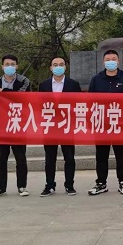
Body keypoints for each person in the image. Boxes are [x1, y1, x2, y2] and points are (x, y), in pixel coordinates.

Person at [87, 49, 123, 195]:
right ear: (103, 62)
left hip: (120, 124)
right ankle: (101, 183)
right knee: (101, 155)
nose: (111, 62)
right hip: (102, 123)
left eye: (114, 59)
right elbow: (90, 101)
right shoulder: (96, 79)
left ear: (118, 61)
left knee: (121, 154)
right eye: (108, 59)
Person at [0, 54, 31, 198]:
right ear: (2, 66)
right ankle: (0, 187)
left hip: (18, 124)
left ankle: (22, 186)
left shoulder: (24, 81)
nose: (9, 66)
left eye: (12, 64)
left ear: (17, 66)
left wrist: (4, 92)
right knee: (1, 159)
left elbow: (22, 97)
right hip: (1, 127)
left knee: (20, 158)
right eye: (7, 64)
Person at [39, 57, 82, 197]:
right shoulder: (44, 85)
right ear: (51, 68)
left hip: (67, 125)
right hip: (50, 125)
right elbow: (39, 105)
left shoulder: (73, 84)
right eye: (55, 65)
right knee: (49, 158)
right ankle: (49, 185)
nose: (58, 67)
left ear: (65, 67)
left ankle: (69, 185)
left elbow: (79, 104)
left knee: (69, 157)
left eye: (61, 64)